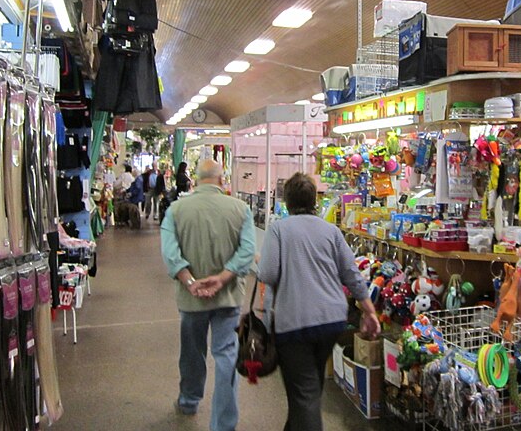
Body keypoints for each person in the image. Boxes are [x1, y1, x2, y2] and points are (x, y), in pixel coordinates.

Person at [257, 172, 380, 431]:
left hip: (294, 322)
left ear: (287, 201)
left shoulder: (278, 229)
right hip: (332, 320)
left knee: (304, 393)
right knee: (308, 389)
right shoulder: (331, 231)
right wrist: (369, 311)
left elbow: (267, 273)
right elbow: (352, 274)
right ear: (314, 200)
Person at [160, 160, 255, 430]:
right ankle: (223, 424)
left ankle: (189, 400)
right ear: (222, 180)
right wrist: (225, 276)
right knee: (226, 355)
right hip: (228, 298)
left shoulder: (176, 210)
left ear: (195, 180)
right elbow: (247, 250)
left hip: (191, 300)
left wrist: (190, 281)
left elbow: (169, 252)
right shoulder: (241, 209)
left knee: (192, 351)